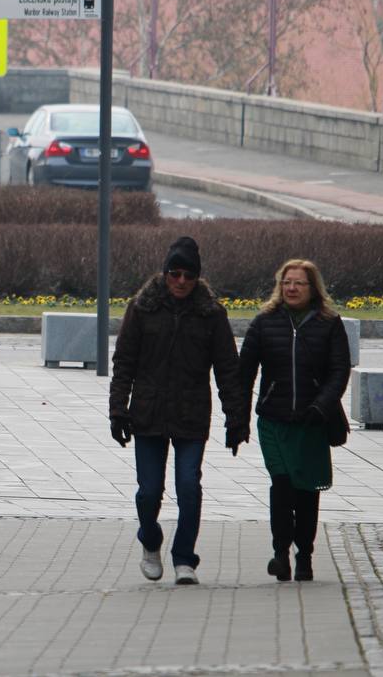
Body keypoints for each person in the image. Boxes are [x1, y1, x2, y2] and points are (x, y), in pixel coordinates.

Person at [109, 237, 248, 586]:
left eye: (188, 275)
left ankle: (185, 557)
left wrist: (236, 419)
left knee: (189, 486)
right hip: (148, 412)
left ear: (198, 277)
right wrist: (117, 410)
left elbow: (228, 369)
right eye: (175, 273)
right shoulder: (142, 308)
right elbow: (124, 362)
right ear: (165, 273)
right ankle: (150, 539)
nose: (181, 281)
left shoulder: (212, 314)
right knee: (148, 491)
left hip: (191, 413)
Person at [239, 259, 351, 583]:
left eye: (299, 283)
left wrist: (322, 405)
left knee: (306, 491)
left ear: (312, 287)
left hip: (311, 421)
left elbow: (338, 371)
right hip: (274, 420)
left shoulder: (329, 323)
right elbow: (244, 372)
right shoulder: (265, 322)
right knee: (282, 484)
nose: (291, 288)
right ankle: (280, 553)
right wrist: (238, 419)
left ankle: (305, 555)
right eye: (286, 282)